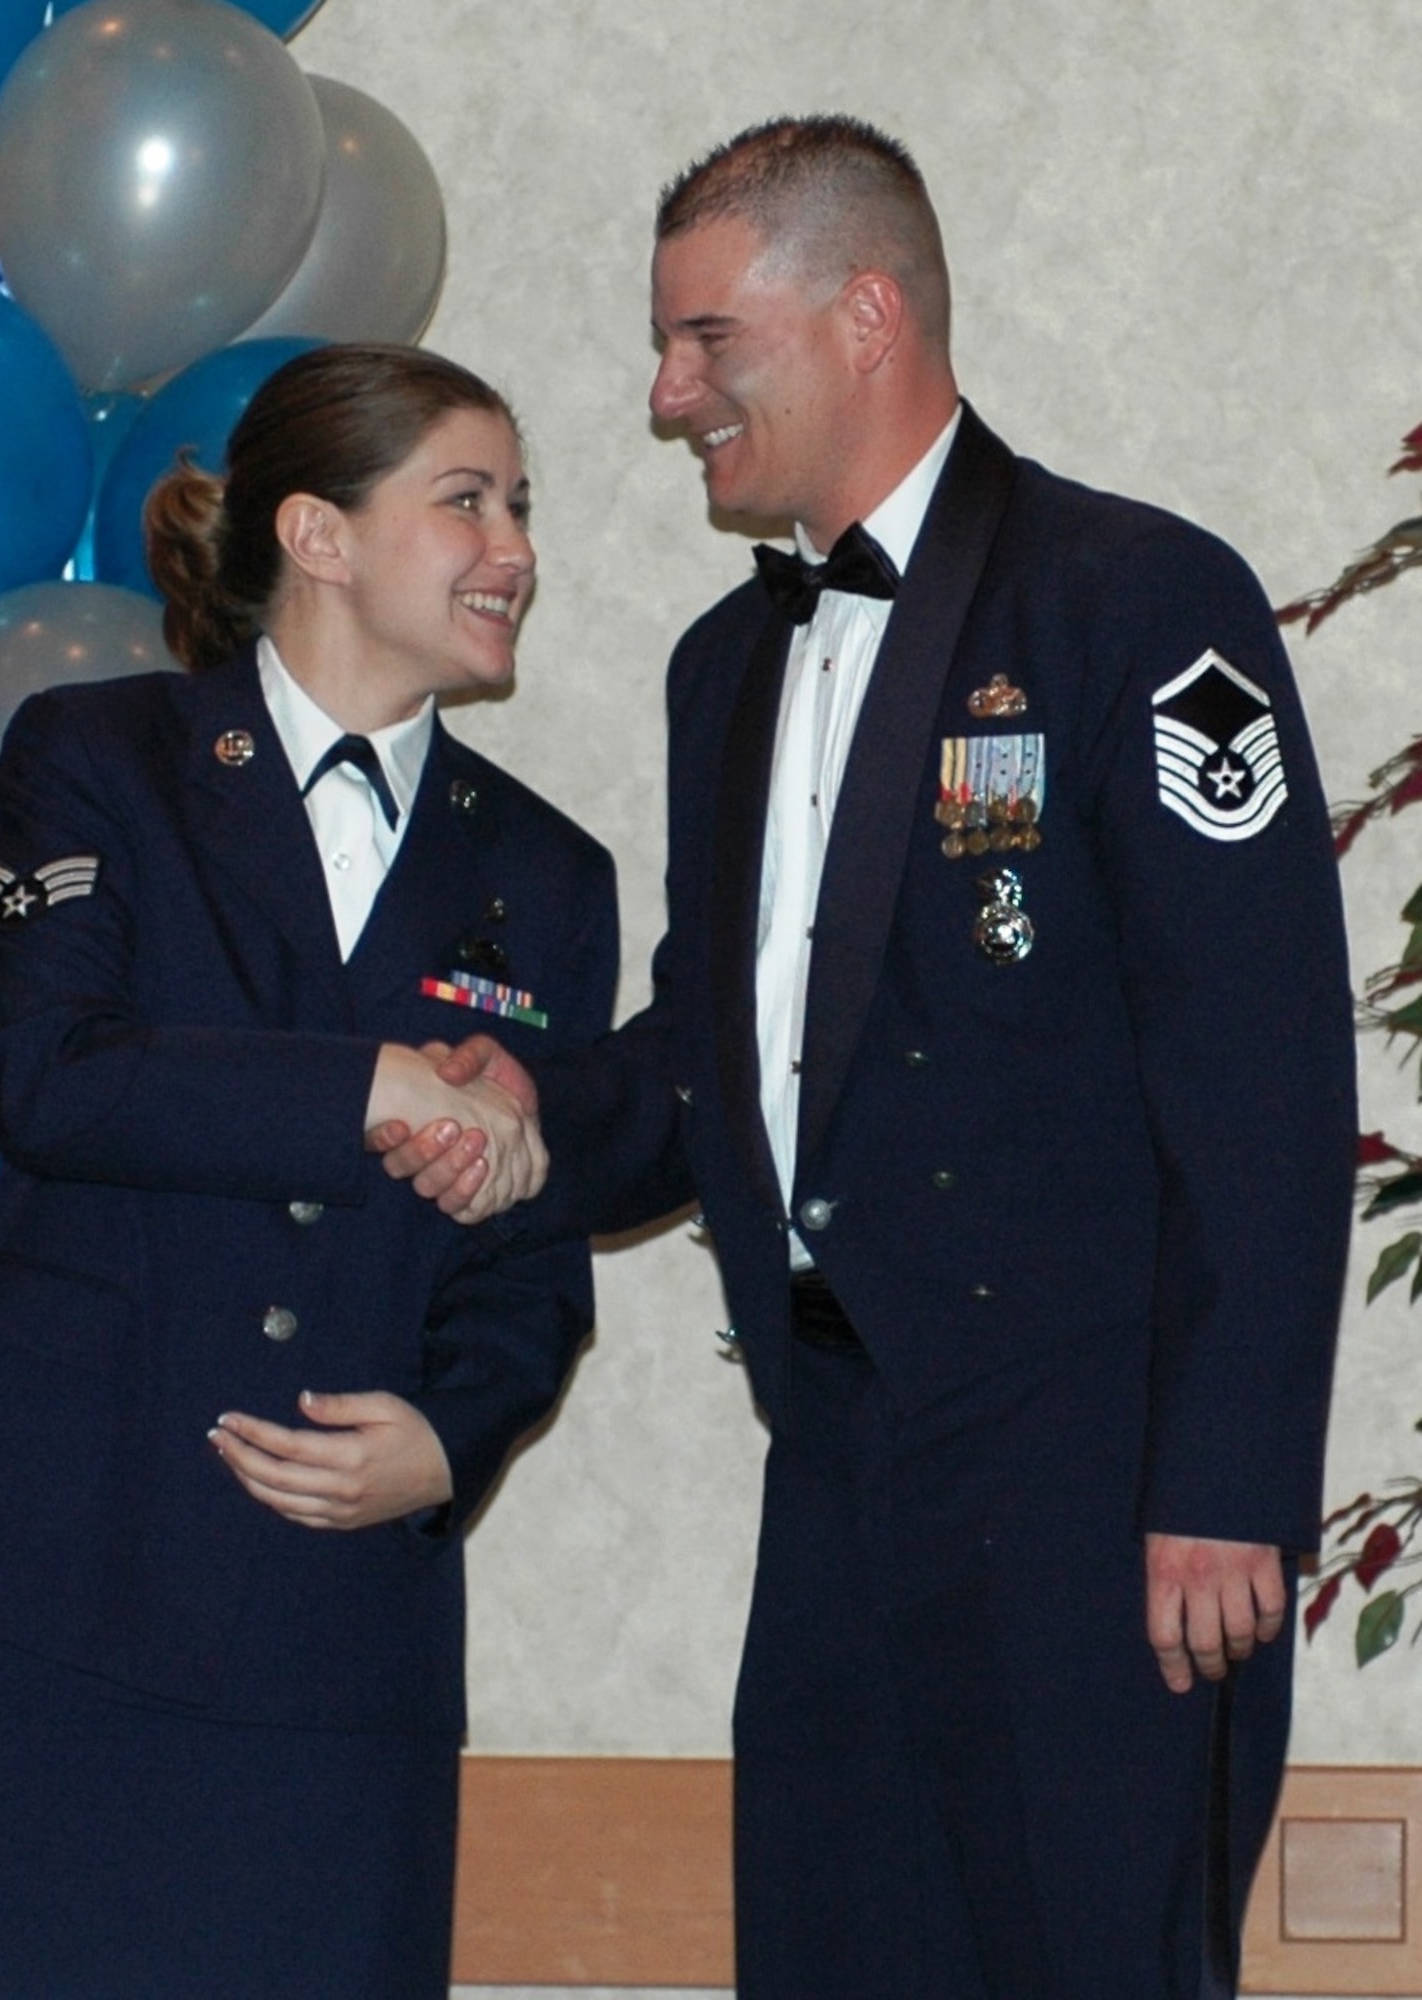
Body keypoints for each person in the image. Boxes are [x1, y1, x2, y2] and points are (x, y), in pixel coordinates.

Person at [379, 118, 1357, 1998]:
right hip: (832, 1464)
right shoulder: (716, 672)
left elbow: (1259, 1072)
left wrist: (1228, 1483)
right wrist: (524, 1114)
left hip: (1098, 1493)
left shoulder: (1134, 600)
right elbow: (715, 1057)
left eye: (703, 341)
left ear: (864, 315)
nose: (667, 398)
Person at [0, 343, 619, 2000]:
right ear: (317, 535)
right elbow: (47, 1076)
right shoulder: (99, 753)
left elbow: (530, 1244)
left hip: (331, 1633)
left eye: (521, 506)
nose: (515, 547)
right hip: (36, 1583)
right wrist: (366, 1086)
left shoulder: (546, 871)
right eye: (463, 499)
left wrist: (452, 1434)